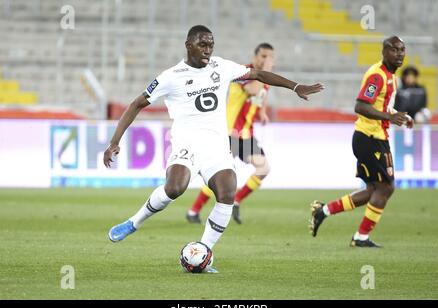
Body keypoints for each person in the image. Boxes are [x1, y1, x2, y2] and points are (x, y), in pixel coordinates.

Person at [103, 25, 324, 272]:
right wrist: (114, 142)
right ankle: (134, 222)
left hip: (217, 147)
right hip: (186, 144)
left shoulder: (222, 66)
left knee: (228, 191)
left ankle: (203, 251)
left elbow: (259, 75)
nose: (208, 50)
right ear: (188, 45)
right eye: (202, 44)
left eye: (211, 44)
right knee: (175, 188)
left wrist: (296, 87)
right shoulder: (171, 76)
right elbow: (136, 104)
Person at [309, 36, 413, 248]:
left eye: (402, 49)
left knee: (373, 190)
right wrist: (389, 118)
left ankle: (324, 211)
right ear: (384, 51)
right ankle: (361, 237)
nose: (400, 53)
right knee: (385, 188)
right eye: (394, 50)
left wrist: (398, 115)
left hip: (374, 137)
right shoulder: (377, 76)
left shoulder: (390, 77)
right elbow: (361, 106)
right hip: (370, 138)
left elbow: (380, 106)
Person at [186, 43, 274, 225]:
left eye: (270, 57)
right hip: (229, 133)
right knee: (219, 176)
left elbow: (262, 95)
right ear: (255, 56)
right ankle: (193, 211)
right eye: (263, 56)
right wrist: (267, 73)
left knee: (263, 168)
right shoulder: (243, 72)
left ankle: (236, 200)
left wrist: (263, 112)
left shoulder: (264, 80)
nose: (266, 60)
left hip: (246, 135)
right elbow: (253, 90)